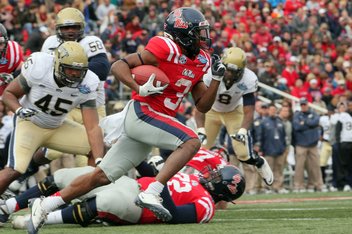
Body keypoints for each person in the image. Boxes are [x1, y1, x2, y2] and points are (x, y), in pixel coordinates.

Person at [28, 7, 224, 233]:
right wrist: (138, 86)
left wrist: (217, 79)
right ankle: (152, 192)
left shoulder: (201, 60)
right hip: (142, 112)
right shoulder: (164, 47)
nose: (203, 38)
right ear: (183, 33)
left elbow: (202, 105)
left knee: (100, 177)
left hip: (153, 122)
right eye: (198, 33)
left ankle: (44, 206)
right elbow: (118, 65)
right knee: (191, 141)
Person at [0, 42, 105, 200]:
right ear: (57, 64)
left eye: (79, 71)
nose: (75, 75)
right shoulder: (39, 67)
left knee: (96, 149)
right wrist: (19, 110)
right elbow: (8, 94)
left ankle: (85, 197)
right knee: (14, 169)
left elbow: (93, 127)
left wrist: (99, 161)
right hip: (30, 123)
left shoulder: (89, 82)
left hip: (57, 126)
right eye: (70, 69)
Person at [4, 164, 244, 229]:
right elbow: (155, 177)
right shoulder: (194, 180)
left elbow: (175, 217)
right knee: (66, 175)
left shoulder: (206, 206)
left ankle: (42, 218)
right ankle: (9, 206)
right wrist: (142, 163)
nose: (209, 174)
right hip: (131, 183)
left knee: (105, 202)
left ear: (223, 188)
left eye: (215, 177)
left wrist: (159, 183)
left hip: (139, 207)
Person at [194, 47, 274, 188]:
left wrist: (243, 130)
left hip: (234, 112)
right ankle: (198, 182)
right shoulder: (209, 74)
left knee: (244, 154)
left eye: (233, 71)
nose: (229, 74)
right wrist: (200, 128)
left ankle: (259, 162)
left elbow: (249, 109)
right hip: (211, 110)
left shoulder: (249, 78)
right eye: (227, 69)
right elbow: (200, 104)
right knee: (200, 149)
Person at [40, 7, 110, 168]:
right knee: (53, 151)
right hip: (66, 104)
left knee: (94, 151)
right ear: (58, 28)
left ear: (82, 28)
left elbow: (102, 68)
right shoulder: (50, 43)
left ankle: (86, 188)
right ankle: (29, 168)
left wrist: (66, 69)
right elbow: (41, 70)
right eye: (66, 27)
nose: (70, 31)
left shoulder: (91, 41)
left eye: (75, 27)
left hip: (93, 105)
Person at [292, 97, 324, 192]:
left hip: (313, 144)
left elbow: (316, 121)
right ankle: (298, 185)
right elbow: (297, 126)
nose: (303, 106)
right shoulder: (297, 115)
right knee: (299, 166)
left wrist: (304, 123)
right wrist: (310, 125)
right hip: (301, 144)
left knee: (315, 165)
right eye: (301, 104)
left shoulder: (314, 113)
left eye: (304, 104)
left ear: (307, 104)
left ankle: (317, 184)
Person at [255, 104, 287, 194]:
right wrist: (260, 148)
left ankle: (278, 187)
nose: (273, 111)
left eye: (274, 110)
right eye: (271, 110)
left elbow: (284, 136)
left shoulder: (280, 121)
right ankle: (267, 188)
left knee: (279, 170)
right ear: (268, 111)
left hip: (279, 150)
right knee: (267, 170)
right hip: (268, 150)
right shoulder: (264, 122)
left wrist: (284, 147)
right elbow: (260, 136)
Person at [0, 23, 24, 96]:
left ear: (6, 43)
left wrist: (13, 76)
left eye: (0, 44)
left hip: (7, 89)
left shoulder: (13, 50)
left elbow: (23, 69)